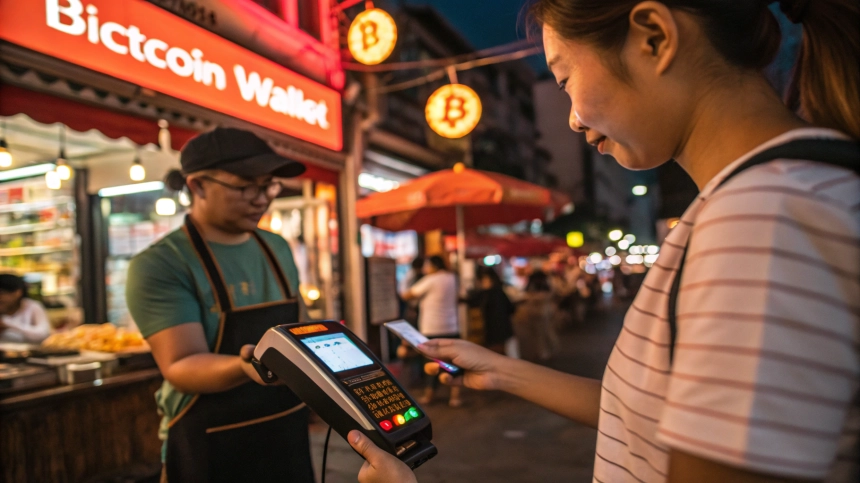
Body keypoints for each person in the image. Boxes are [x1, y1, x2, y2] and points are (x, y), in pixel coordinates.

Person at [345, 1, 860, 482]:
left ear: (653, 38)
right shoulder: (769, 199)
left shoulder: (760, 221)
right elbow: (654, 411)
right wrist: (506, 372)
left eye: (565, 78)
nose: (571, 117)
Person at [126, 127, 314, 483]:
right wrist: (245, 368)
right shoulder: (161, 264)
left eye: (268, 185)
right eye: (246, 186)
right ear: (197, 186)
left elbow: (299, 325)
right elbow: (180, 364)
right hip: (206, 436)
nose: (262, 199)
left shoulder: (277, 248)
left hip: (285, 427)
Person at [400, 255, 462, 407]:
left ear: (434, 266)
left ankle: (429, 395)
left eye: (427, 265)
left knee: (431, 363)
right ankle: (455, 397)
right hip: (452, 326)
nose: (425, 269)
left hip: (432, 327)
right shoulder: (453, 278)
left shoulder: (431, 280)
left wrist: (407, 277)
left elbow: (406, 295)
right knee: (453, 362)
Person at [512, 270, 558, 362]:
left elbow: (544, 296)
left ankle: (544, 352)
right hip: (540, 313)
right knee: (541, 332)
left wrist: (531, 297)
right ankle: (544, 352)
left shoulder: (536, 285)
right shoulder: (544, 284)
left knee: (541, 333)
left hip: (539, 313)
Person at [0, 274, 51, 343]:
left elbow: (43, 334)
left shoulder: (32, 307)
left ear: (17, 293)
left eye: (2, 293)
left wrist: (8, 324)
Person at [475, 267, 515, 354]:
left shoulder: (491, 294)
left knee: (498, 355)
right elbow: (511, 309)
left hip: (496, 332)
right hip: (500, 331)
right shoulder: (496, 292)